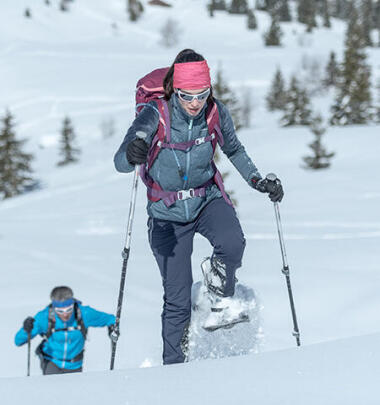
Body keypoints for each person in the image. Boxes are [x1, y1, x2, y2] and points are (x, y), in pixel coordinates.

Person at [114, 49, 284, 365]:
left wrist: (258, 181)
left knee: (232, 243)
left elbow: (233, 148)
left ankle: (217, 293)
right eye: (186, 96)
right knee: (176, 301)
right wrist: (132, 152)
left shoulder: (214, 112)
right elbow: (120, 162)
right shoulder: (155, 114)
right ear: (174, 91)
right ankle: (174, 368)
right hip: (166, 216)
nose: (194, 103)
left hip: (206, 200)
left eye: (201, 95)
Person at [15, 286, 117, 375]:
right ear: (54, 308)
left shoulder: (84, 313)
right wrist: (26, 329)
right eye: (60, 311)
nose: (65, 314)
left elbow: (111, 319)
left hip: (75, 364)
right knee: (53, 391)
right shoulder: (44, 317)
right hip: (51, 361)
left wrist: (113, 328)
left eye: (69, 309)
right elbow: (18, 341)